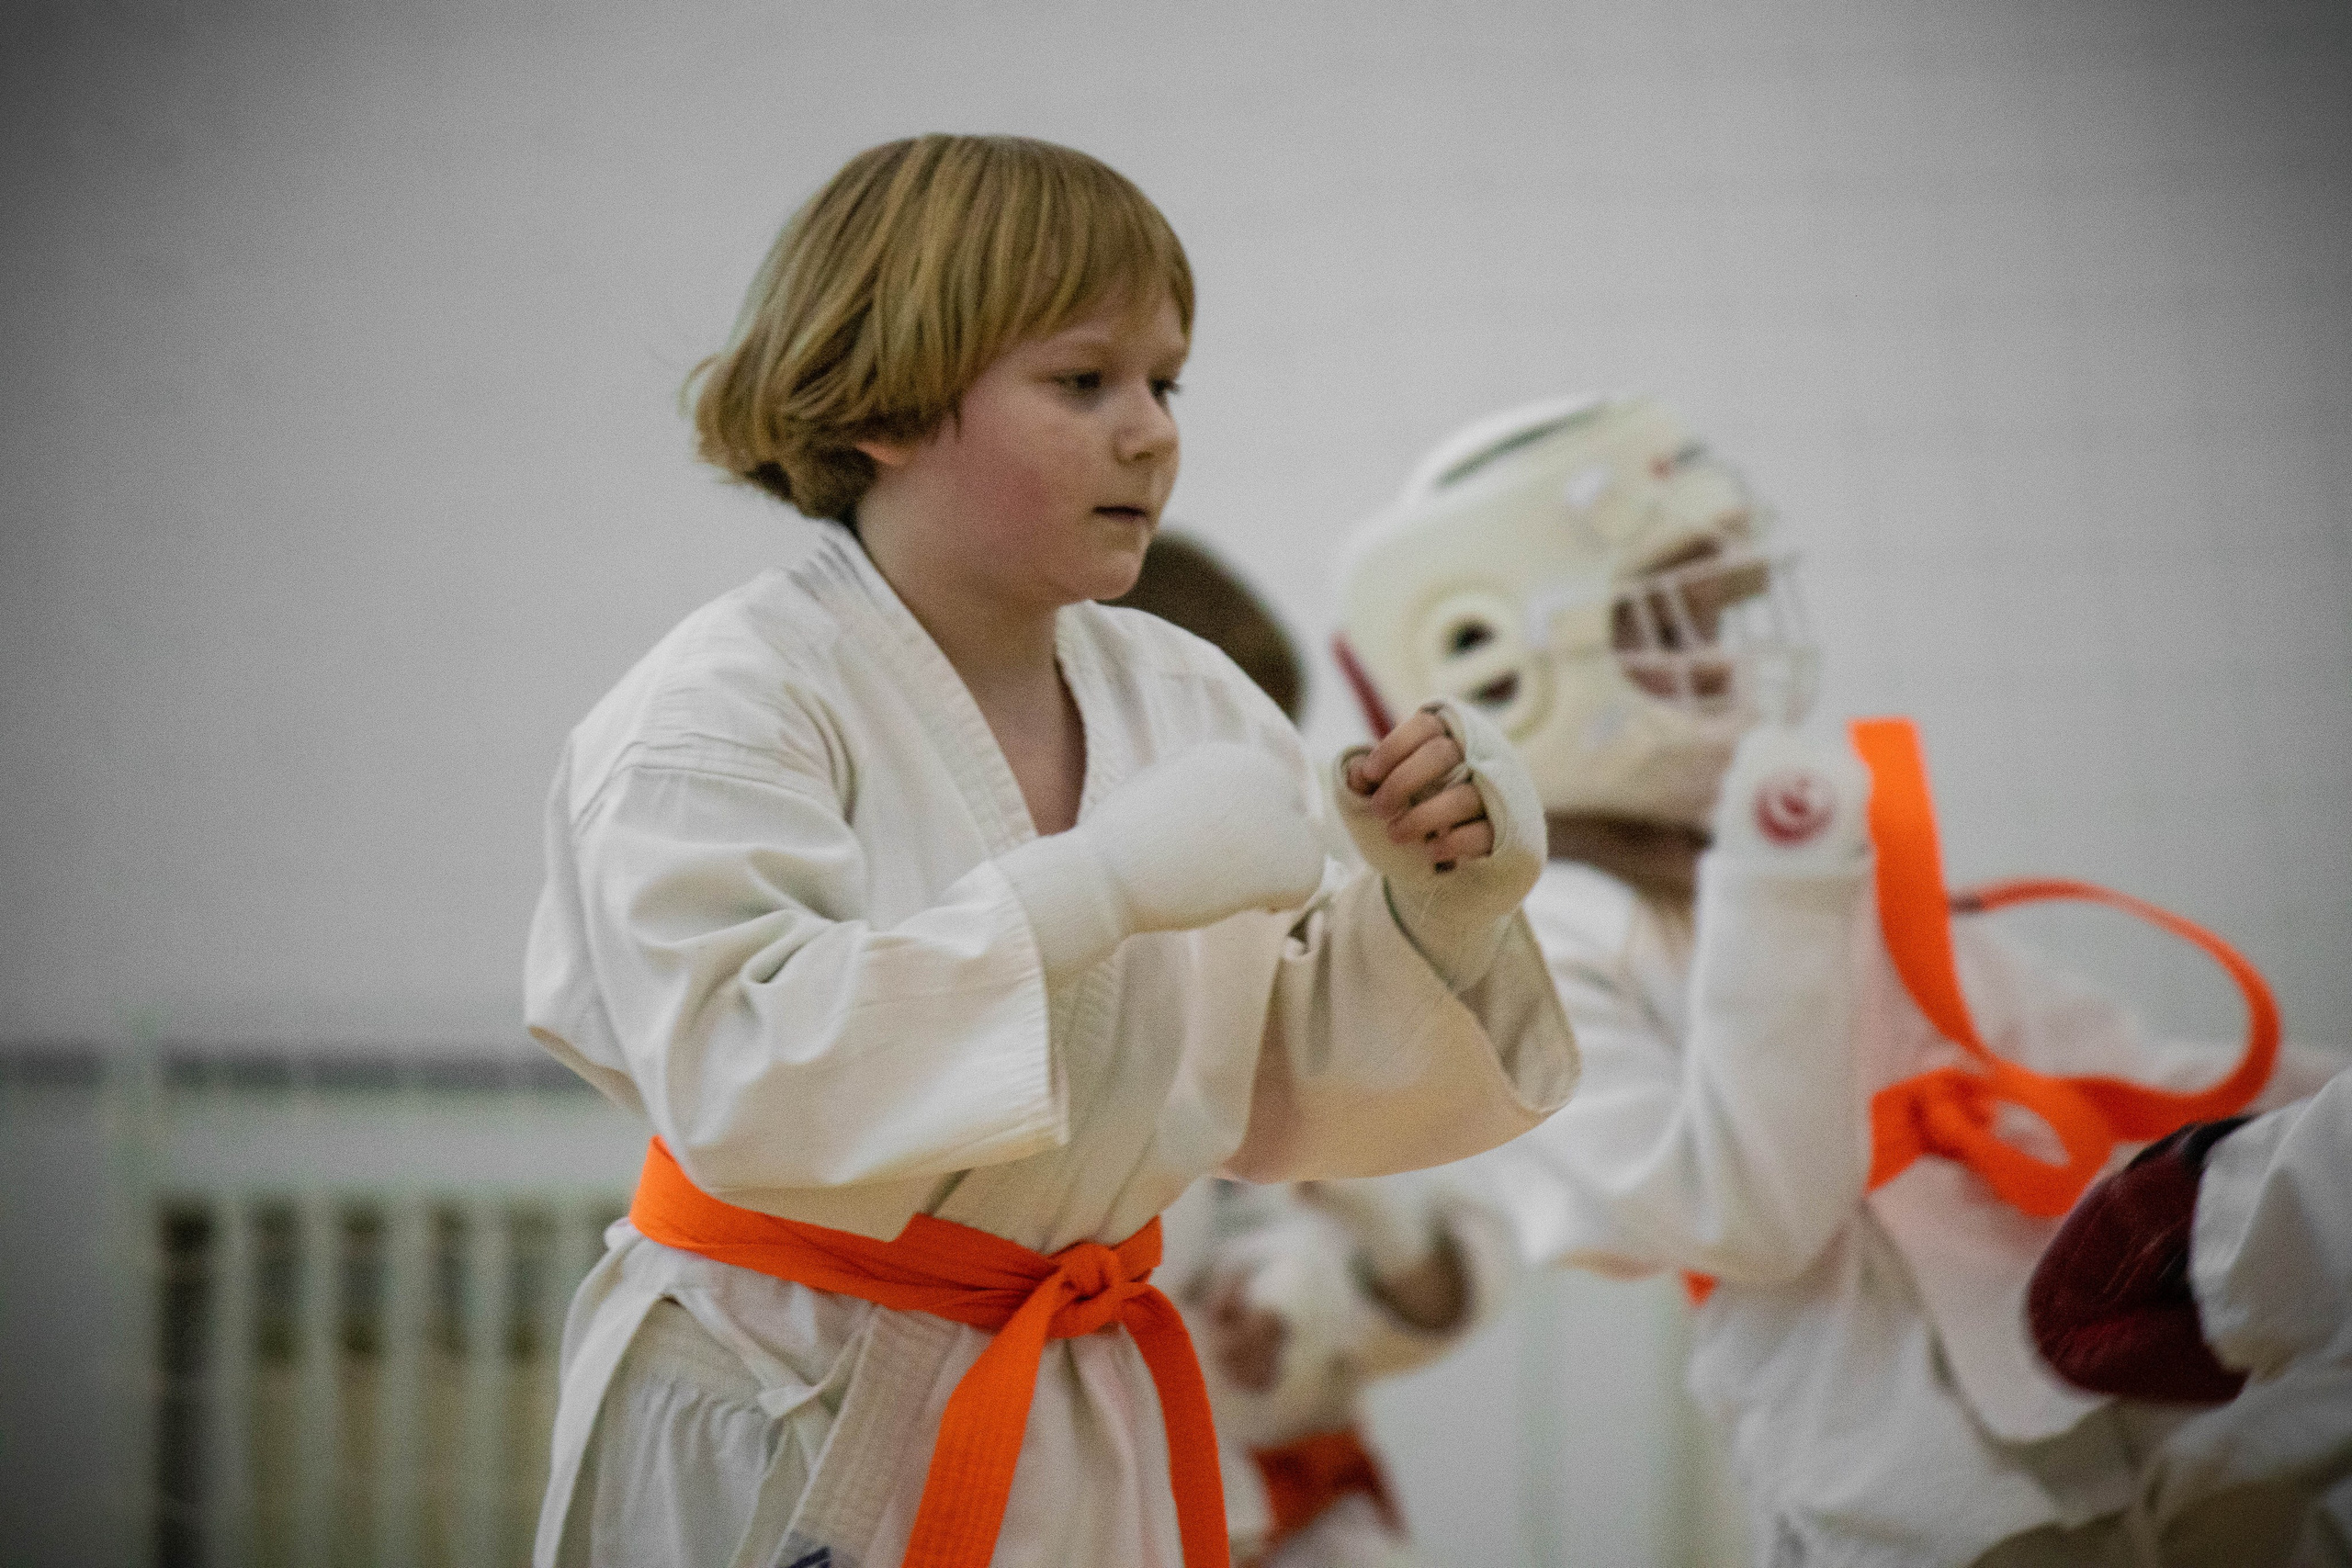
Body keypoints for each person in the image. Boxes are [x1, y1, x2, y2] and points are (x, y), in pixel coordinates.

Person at [520, 135, 1579, 1568]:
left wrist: (1437, 905)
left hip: (1079, 1411)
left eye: (1165, 382)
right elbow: (742, 1072)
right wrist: (1098, 884)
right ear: (887, 402)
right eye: (1085, 382)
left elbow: (1262, 1089)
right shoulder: (724, 706)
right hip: (783, 1394)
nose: (1151, 433)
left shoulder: (1191, 697)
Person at [1199, 391, 2341, 1566]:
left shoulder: (1814, 872)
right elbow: (1745, 1218)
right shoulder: (1539, 944)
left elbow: (2108, 1064)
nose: (1719, 662)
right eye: (1668, 627)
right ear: (1493, 664)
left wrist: (2325, 1117)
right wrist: (1778, 881)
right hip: (1902, 1480)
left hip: (2124, 1393)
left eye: (1718, 618)